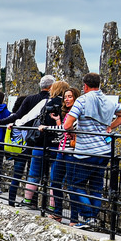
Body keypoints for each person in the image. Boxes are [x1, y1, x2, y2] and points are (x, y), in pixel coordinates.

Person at [62, 72, 121, 228]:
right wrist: (110, 127)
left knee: (75, 185)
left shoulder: (82, 100)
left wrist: (73, 132)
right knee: (96, 186)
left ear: (85, 86)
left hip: (86, 151)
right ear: (99, 84)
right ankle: (93, 218)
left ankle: (88, 217)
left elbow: (67, 125)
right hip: (104, 151)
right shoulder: (108, 101)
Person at [0, 75, 56, 206]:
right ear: (51, 87)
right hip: (44, 141)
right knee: (42, 175)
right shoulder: (52, 101)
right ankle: (35, 203)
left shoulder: (29, 99)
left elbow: (17, 116)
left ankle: (12, 200)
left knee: (19, 172)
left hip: (26, 140)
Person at [20, 80, 69, 209]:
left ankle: (27, 201)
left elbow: (29, 116)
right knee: (55, 179)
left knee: (34, 173)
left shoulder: (46, 102)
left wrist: (16, 124)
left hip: (41, 143)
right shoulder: (67, 105)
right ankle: (53, 207)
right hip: (59, 145)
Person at [47, 87, 79, 220]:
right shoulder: (66, 114)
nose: (67, 99)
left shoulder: (78, 114)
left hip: (72, 153)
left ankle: (74, 218)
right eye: (65, 97)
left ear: (75, 98)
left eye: (70, 96)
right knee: (55, 181)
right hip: (62, 152)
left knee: (71, 185)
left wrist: (47, 127)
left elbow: (72, 130)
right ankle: (58, 213)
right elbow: (62, 136)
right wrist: (57, 121)